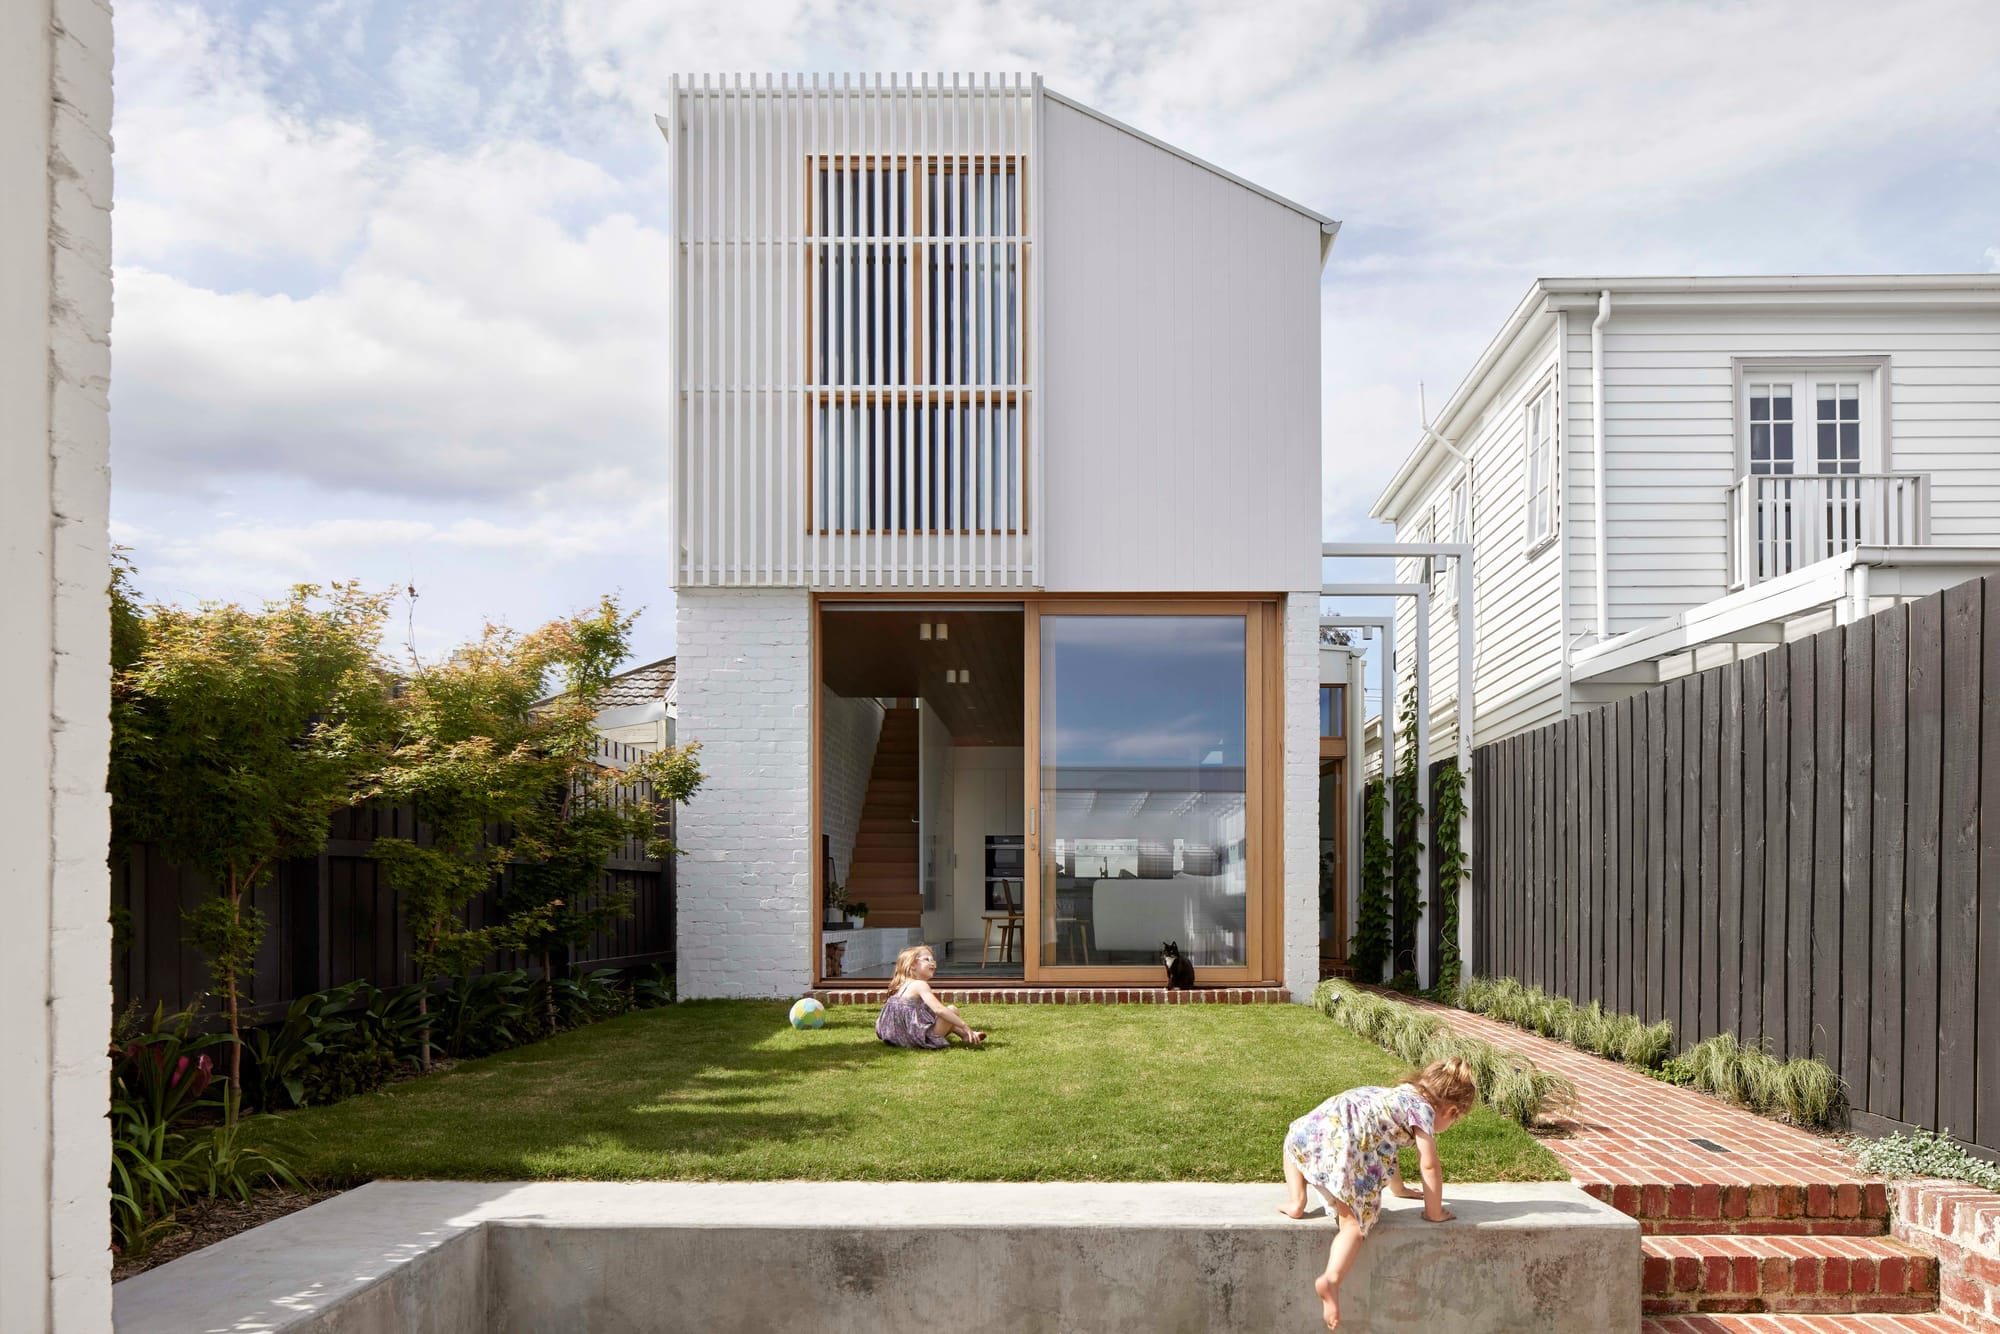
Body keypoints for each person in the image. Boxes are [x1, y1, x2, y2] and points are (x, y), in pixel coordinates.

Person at [1277, 1056, 1477, 1330]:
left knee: (1293, 1142)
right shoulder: (1425, 1112)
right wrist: (1434, 1212)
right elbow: (1428, 1164)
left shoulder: (1404, 1094)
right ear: (1451, 1111)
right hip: (1349, 1142)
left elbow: (1385, 1146)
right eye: (1455, 1120)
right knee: (1353, 1225)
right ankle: (1331, 1280)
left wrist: (1400, 1189)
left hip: (1320, 1126)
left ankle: (1296, 1200)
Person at [875, 945, 986, 1049]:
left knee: (929, 1013)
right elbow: (939, 1010)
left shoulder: (900, 986)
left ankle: (965, 1035)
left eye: (933, 960)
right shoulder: (920, 985)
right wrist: (964, 1025)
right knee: (951, 1010)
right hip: (914, 1039)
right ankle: (965, 1032)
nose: (932, 963)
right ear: (912, 965)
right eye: (927, 959)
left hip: (893, 1036)